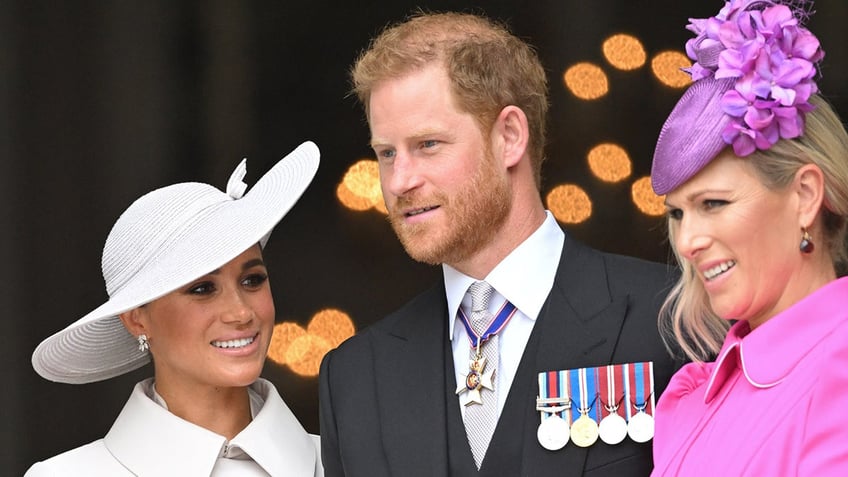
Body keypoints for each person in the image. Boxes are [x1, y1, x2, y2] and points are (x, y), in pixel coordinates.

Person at [319, 11, 679, 476]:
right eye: (386, 153)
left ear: (509, 137)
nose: (398, 181)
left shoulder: (670, 319)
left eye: (427, 144)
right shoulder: (354, 378)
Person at [26, 142, 324, 476]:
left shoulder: (345, 462)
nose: (241, 313)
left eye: (252, 280)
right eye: (202, 288)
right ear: (136, 319)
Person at [649, 1, 848, 475]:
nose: (687, 241)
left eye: (713, 203)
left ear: (804, 195)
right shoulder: (690, 396)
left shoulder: (838, 370)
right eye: (678, 213)